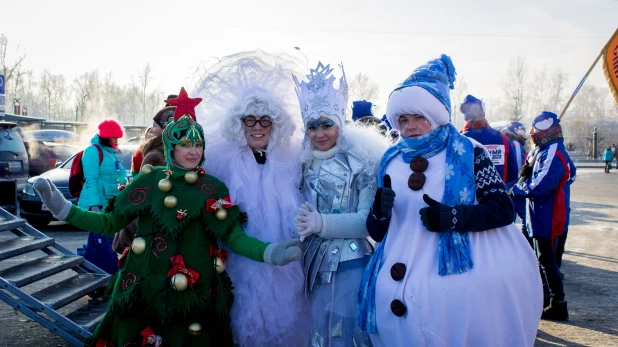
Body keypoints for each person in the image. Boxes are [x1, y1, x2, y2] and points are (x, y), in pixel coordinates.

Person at [33, 88, 302, 347]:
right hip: (150, 287)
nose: (193, 151)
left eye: (198, 144)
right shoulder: (149, 180)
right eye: (185, 144)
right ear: (171, 146)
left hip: (196, 294)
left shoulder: (213, 188)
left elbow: (235, 236)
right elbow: (109, 222)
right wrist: (64, 210)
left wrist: (270, 253)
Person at [358, 54, 542, 346]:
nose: (410, 126)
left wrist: (453, 217)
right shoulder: (390, 158)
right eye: (403, 119)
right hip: (395, 274)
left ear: (436, 116)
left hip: (460, 273)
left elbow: (503, 210)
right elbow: (378, 231)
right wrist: (380, 211)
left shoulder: (470, 152)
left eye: (419, 117)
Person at [193, 51, 310, 346]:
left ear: (275, 124)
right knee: (247, 316)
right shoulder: (223, 163)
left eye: (265, 121)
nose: (258, 127)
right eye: (250, 120)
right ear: (239, 123)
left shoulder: (292, 159)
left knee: (286, 314)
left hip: (287, 258)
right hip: (242, 258)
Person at [293, 62, 388, 346]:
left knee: (347, 336)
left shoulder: (361, 162)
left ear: (339, 124)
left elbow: (365, 221)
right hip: (311, 265)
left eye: (326, 125)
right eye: (312, 127)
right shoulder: (302, 163)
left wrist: (321, 223)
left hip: (350, 266)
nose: (319, 134)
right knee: (318, 334)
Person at [512, 111, 576, 321]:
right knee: (542, 259)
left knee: (547, 260)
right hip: (539, 214)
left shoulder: (553, 151)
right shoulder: (544, 150)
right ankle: (546, 296)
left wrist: (520, 188)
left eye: (535, 128)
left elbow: (542, 184)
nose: (532, 133)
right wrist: (527, 173)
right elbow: (571, 172)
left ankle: (558, 303)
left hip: (547, 215)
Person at [115, 107, 173, 253]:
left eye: (154, 126)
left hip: (149, 228)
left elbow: (141, 192)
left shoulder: (154, 154)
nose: (151, 130)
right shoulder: (170, 151)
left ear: (165, 128)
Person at [80, 119, 129, 274]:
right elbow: (91, 180)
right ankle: (105, 275)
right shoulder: (92, 151)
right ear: (104, 137)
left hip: (109, 204)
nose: (116, 141)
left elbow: (121, 174)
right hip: (98, 205)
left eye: (117, 137)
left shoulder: (111, 152)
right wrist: (95, 206)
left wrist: (130, 183)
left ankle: (98, 273)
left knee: (100, 242)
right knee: (104, 242)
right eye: (112, 137)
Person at [461, 95, 518, 185]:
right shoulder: (502, 138)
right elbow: (513, 173)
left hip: (469, 197)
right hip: (498, 195)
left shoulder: (460, 140)